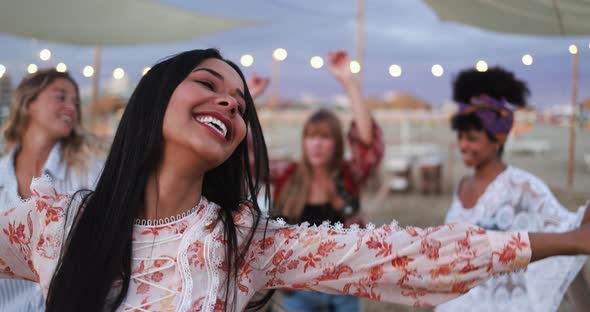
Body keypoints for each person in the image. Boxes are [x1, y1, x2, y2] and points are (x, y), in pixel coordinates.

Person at [1, 49, 589, 312]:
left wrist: (564, 241)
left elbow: (407, 255)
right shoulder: (57, 221)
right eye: (208, 85)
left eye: (239, 101)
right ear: (155, 98)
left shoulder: (245, 242)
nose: (228, 103)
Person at [436, 67, 590, 312]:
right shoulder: (463, 185)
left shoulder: (524, 187)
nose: (463, 145)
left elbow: (572, 233)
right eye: (461, 136)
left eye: (472, 138)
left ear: (498, 139)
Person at [250, 51, 382, 311]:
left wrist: (349, 82)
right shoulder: (287, 175)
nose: (317, 144)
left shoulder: (348, 176)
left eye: (325, 137)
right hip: (298, 292)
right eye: (311, 137)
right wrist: (250, 98)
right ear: (303, 141)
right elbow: (247, 157)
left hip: (344, 288)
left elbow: (368, 143)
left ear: (337, 143)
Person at [0, 69, 103, 312]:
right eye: (60, 96)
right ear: (29, 103)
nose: (71, 107)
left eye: (75, 103)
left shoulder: (90, 172)